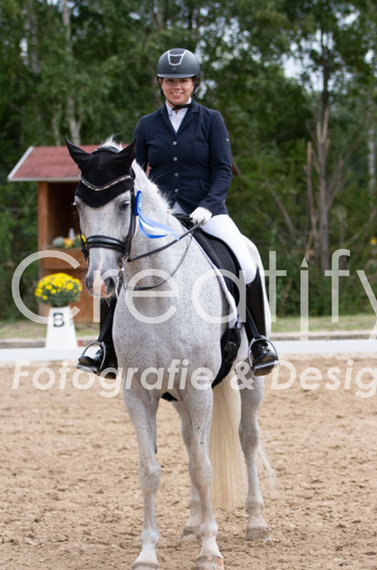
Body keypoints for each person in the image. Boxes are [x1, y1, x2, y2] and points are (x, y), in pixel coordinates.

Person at [78, 48, 278, 377]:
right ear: (160, 83)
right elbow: (134, 174)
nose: (176, 87)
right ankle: (105, 347)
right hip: (160, 217)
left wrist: (208, 206)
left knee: (244, 259)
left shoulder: (211, 120)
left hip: (207, 212)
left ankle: (258, 341)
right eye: (170, 81)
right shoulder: (147, 125)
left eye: (183, 81)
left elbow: (223, 171)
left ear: (194, 83)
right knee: (116, 263)